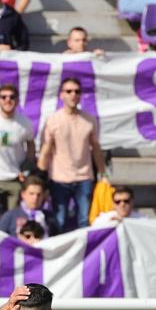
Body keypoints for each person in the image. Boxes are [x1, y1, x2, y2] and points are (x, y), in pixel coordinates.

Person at [37, 78, 106, 233]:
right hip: (59, 179)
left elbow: (96, 148)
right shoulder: (53, 120)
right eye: (68, 91)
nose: (73, 94)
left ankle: (85, 253)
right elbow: (46, 150)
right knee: (59, 220)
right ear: (61, 95)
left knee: (84, 220)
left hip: (84, 177)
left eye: (77, 91)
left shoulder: (89, 120)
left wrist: (103, 173)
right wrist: (40, 175)